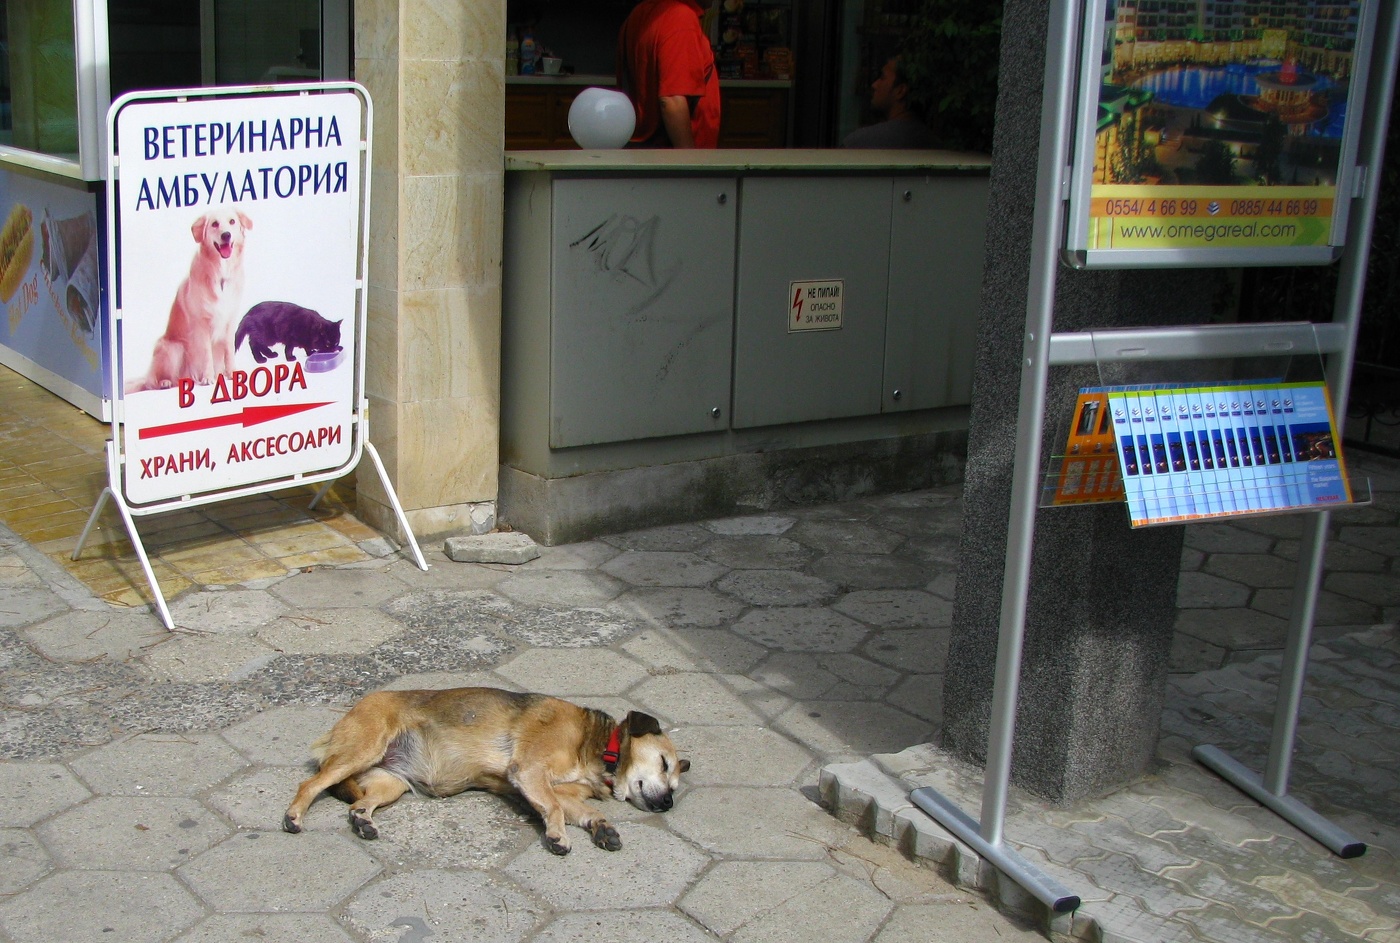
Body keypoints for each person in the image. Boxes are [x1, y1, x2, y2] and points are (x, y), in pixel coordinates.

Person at [616, 0, 721, 149]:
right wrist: (691, 165)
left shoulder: (638, 13)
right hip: (675, 158)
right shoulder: (680, 17)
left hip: (643, 153)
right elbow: (672, 100)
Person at [844, 55, 938, 149]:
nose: (874, 85)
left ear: (900, 91)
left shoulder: (860, 142)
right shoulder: (937, 145)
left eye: (882, 77)